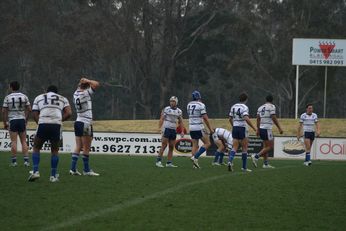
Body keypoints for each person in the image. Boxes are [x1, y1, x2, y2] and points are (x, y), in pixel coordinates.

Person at [28, 85, 72, 182]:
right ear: (56, 92)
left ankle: (35, 171)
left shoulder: (39, 97)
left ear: (46, 91)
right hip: (56, 125)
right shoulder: (63, 98)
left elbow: (34, 113)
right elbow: (69, 113)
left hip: (43, 123)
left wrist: (39, 122)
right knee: (55, 150)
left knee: (36, 147)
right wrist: (60, 120)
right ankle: (53, 176)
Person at [69, 77, 100, 176]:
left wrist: (82, 83)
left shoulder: (75, 94)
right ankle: (86, 170)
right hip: (85, 123)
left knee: (78, 146)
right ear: (87, 87)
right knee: (86, 147)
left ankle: (73, 169)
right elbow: (96, 84)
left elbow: (81, 86)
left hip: (78, 121)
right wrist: (88, 81)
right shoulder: (85, 94)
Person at [2, 81, 31, 167]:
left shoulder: (7, 97)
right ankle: (26, 161)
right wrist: (25, 119)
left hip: (13, 120)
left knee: (14, 141)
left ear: (11, 87)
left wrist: (5, 123)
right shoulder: (24, 96)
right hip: (21, 120)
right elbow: (29, 109)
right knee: (23, 141)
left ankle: (14, 162)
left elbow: (3, 111)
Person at [251, 94, 283, 168]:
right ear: (272, 100)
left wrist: (258, 129)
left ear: (266, 100)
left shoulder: (260, 107)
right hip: (267, 128)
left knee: (265, 147)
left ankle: (265, 164)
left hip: (261, 128)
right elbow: (273, 117)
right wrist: (279, 128)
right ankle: (256, 156)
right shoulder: (272, 107)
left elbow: (258, 119)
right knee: (270, 147)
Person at [228, 92, 256, 172]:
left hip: (235, 127)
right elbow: (246, 118)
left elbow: (229, 119)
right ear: (246, 99)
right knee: (244, 148)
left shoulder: (233, 106)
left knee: (235, 147)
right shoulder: (245, 107)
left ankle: (230, 161)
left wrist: (233, 126)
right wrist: (254, 128)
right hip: (242, 128)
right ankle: (244, 167)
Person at [156, 96, 185, 168]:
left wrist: (182, 131)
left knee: (171, 147)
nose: (172, 103)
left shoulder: (179, 111)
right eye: (171, 101)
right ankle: (158, 161)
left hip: (173, 130)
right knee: (164, 145)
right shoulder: (166, 109)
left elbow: (181, 122)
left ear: (176, 103)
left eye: (173, 101)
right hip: (166, 129)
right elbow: (162, 118)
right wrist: (159, 128)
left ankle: (169, 163)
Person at [188, 90, 214, 168]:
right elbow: (205, 118)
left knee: (195, 145)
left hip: (191, 127)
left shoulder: (188, 104)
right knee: (208, 143)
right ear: (199, 97)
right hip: (199, 127)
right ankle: (195, 157)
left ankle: (194, 165)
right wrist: (210, 129)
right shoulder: (201, 105)